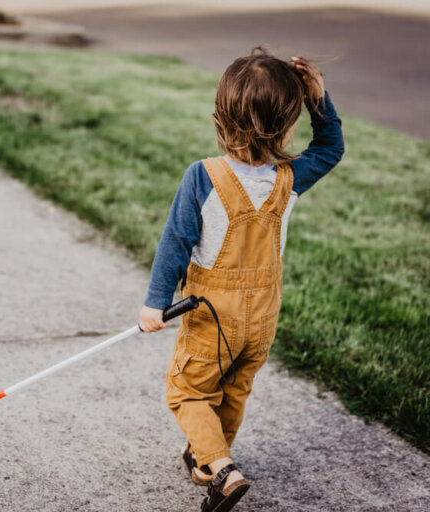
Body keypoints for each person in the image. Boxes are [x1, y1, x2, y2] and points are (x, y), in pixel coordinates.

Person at [138, 47, 344, 512]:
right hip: (263, 314)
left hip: (212, 312)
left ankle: (223, 468)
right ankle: (205, 458)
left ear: (220, 116)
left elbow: (175, 242)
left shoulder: (203, 176)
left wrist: (155, 303)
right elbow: (332, 147)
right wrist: (319, 99)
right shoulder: (289, 177)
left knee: (188, 391)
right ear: (288, 125)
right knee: (233, 389)